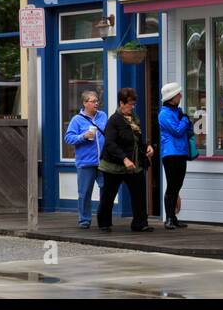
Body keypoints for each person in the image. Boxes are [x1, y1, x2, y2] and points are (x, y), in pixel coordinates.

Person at [97, 87, 154, 232]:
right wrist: (124, 159)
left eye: (134, 104)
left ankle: (140, 223)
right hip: (113, 165)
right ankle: (104, 223)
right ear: (121, 103)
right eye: (130, 104)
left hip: (134, 163)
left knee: (139, 193)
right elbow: (110, 143)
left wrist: (147, 146)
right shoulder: (114, 120)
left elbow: (138, 138)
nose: (132, 107)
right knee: (109, 195)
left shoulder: (134, 118)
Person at [63, 90, 108, 228]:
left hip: (103, 162)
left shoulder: (103, 116)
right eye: (93, 101)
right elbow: (68, 138)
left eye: (97, 101)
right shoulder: (77, 120)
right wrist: (83, 136)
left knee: (106, 191)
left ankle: (104, 219)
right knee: (84, 193)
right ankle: (84, 220)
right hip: (86, 162)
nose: (96, 103)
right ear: (84, 103)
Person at [157, 82, 193, 230]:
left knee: (177, 185)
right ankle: (169, 218)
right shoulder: (164, 113)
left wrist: (185, 120)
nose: (181, 96)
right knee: (172, 186)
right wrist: (185, 119)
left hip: (181, 152)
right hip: (170, 153)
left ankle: (173, 217)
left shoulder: (176, 111)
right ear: (172, 97)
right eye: (178, 94)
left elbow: (189, 129)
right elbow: (178, 131)